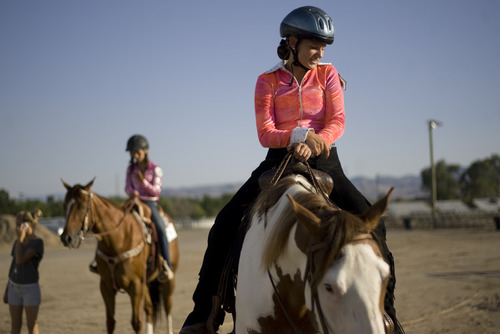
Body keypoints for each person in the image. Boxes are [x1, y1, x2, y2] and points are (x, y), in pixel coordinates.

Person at [180, 6, 403, 334]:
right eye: (314, 45)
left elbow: (337, 121)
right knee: (224, 223)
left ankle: (388, 313)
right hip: (278, 158)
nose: (320, 52)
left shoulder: (328, 74)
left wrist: (315, 142)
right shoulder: (267, 81)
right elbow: (265, 133)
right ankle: (204, 313)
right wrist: (297, 136)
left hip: (325, 159)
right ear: (293, 42)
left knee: (376, 226)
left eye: (324, 46)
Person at [124, 134, 174, 282]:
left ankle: (167, 265)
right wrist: (131, 192)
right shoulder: (130, 169)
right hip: (134, 201)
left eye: (137, 152)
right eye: (132, 152)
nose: (134, 155)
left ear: (145, 150)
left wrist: (143, 182)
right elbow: (127, 187)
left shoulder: (156, 169)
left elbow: (156, 191)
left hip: (150, 203)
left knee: (160, 229)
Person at [4, 209, 44, 334]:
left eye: (19, 224)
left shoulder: (37, 242)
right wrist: (7, 288)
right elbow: (14, 265)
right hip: (14, 287)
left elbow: (20, 260)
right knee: (15, 326)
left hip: (30, 289)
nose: (17, 228)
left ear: (28, 224)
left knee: (32, 326)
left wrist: (20, 240)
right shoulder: (18, 242)